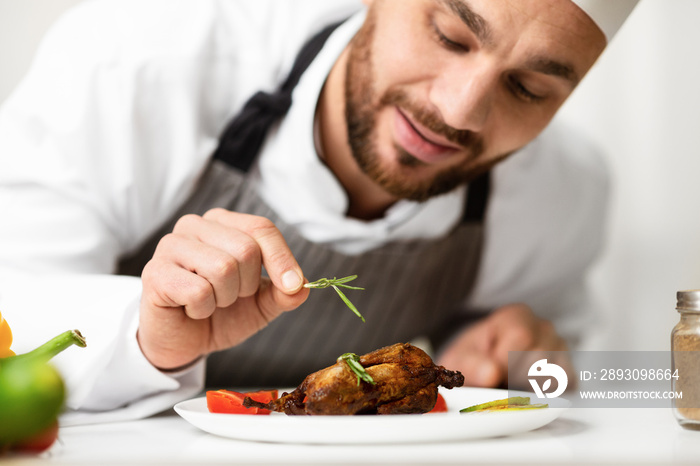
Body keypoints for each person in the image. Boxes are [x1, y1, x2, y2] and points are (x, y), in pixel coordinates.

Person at [0, 0, 638, 421]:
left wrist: (523, 359)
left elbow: (561, 378)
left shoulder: (561, 192)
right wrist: (145, 338)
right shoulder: (139, 63)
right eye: (449, 36)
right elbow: (14, 305)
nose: (458, 111)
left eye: (528, 88)